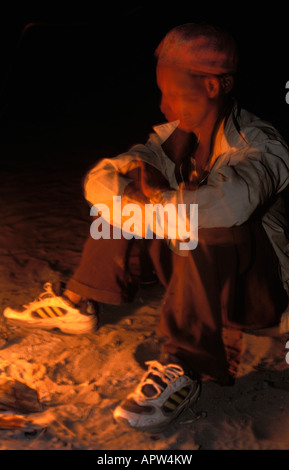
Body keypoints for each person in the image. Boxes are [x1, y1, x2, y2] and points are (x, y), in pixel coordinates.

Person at [3, 23, 289, 432]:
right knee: (122, 199)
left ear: (213, 87)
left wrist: (152, 199)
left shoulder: (260, 145)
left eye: (173, 93)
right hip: (196, 274)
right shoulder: (176, 138)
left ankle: (183, 366)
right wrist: (137, 192)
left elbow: (230, 204)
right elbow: (101, 178)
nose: (162, 105)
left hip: (253, 293)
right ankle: (81, 301)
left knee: (200, 219)